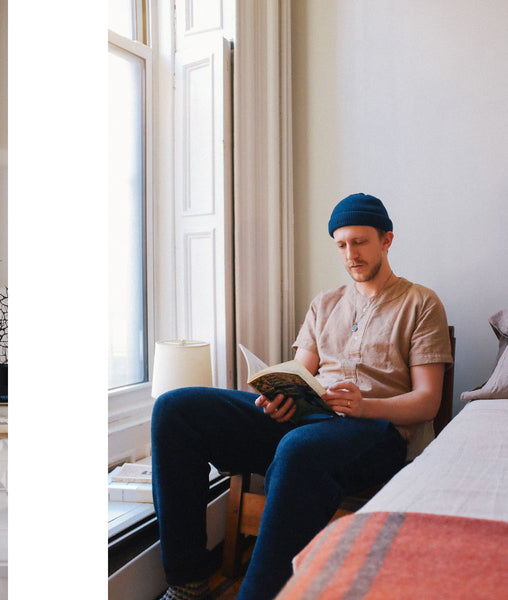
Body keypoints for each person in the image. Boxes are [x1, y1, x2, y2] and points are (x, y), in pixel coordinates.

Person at [151, 193, 453, 600]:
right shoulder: (325, 303)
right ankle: (188, 582)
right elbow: (300, 372)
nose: (351, 254)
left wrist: (365, 405)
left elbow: (427, 401)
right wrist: (278, 396)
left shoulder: (420, 303)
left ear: (387, 240)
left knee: (298, 448)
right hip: (310, 422)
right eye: (342, 245)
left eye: (360, 242)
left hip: (376, 431)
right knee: (176, 409)